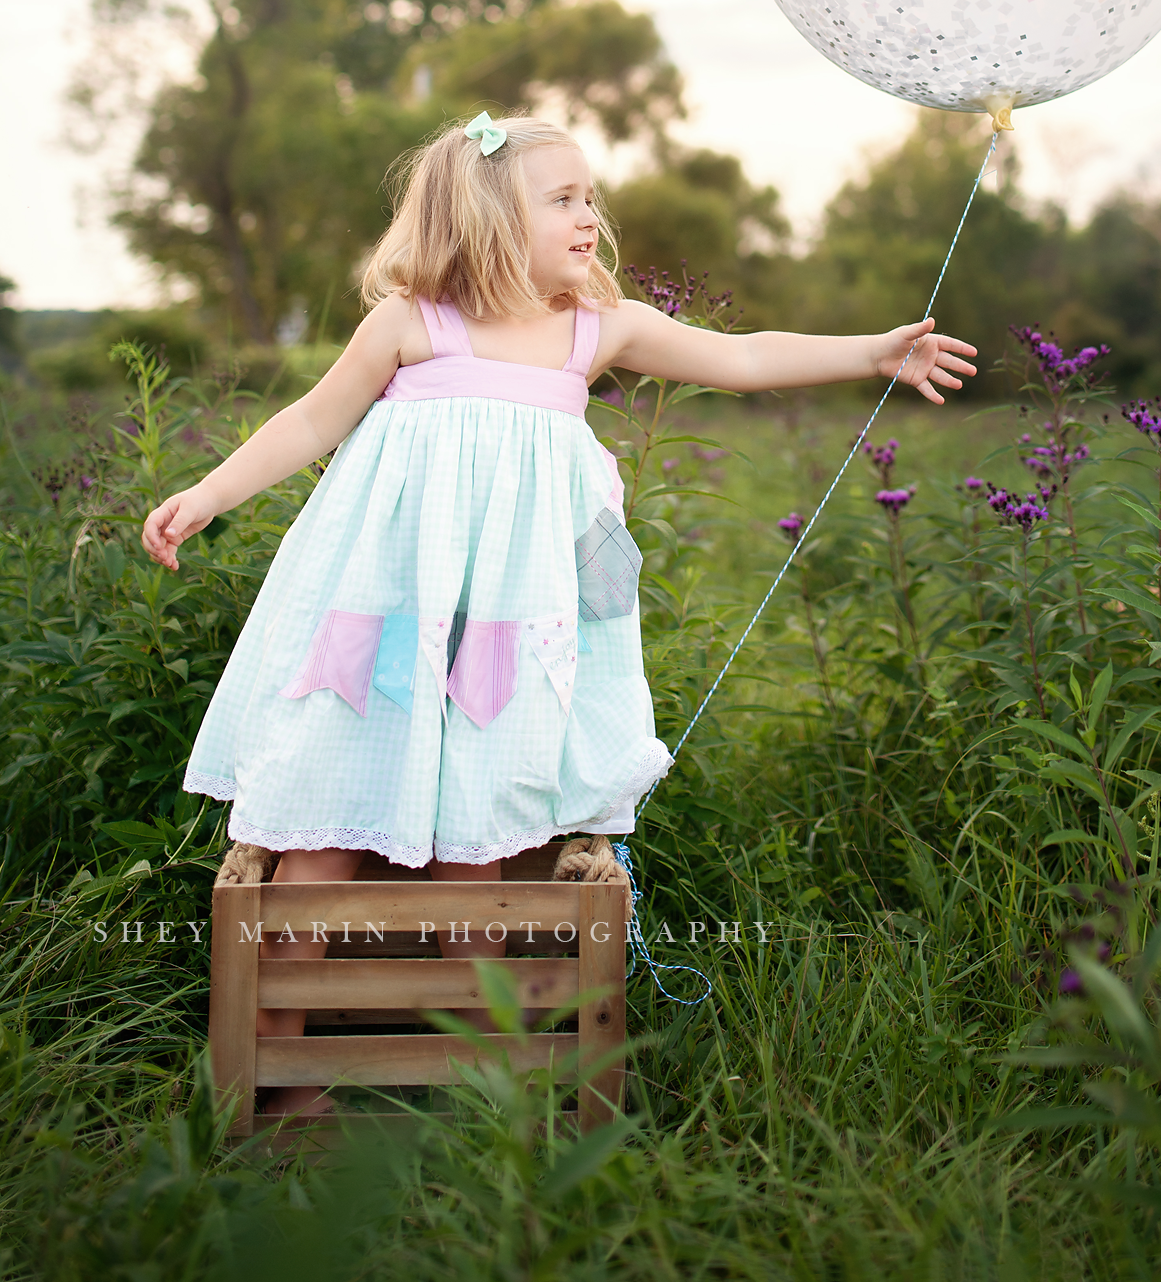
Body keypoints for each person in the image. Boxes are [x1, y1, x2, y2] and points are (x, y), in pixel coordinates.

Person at [143, 111, 977, 1117]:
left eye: (592, 197)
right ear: (491, 218)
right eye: (565, 199)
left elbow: (744, 356)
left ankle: (479, 1076)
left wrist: (871, 351)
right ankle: (288, 1074)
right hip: (390, 613)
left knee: (483, 838)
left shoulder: (596, 328)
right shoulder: (415, 322)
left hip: (509, 622)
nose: (592, 217)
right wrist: (209, 495)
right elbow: (312, 419)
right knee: (326, 819)